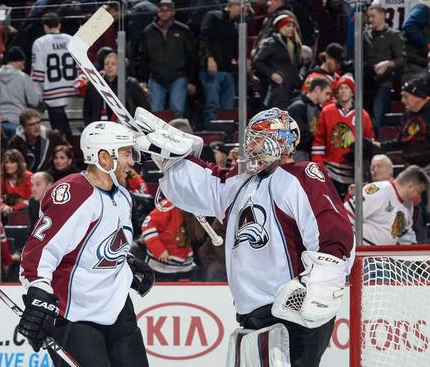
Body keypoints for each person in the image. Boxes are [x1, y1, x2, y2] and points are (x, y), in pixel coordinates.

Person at [135, 107, 354, 366]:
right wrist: (173, 157)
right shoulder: (242, 183)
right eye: (251, 138)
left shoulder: (301, 177)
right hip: (254, 314)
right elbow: (207, 186)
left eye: (259, 138)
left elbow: (333, 232)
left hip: (293, 311)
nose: (251, 145)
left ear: (281, 143)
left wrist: (320, 286)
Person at [17, 121, 152, 367]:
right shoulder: (73, 193)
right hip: (75, 313)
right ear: (103, 157)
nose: (131, 162)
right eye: (125, 153)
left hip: (118, 309)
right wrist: (38, 291)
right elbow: (39, 251)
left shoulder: (123, 196)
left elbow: (101, 244)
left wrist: (127, 264)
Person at [311, 74, 375, 197]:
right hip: (331, 171)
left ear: (352, 92)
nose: (343, 91)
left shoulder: (363, 115)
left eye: (347, 88)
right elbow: (318, 142)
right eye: (340, 88)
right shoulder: (327, 111)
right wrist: (320, 168)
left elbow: (369, 144)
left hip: (354, 172)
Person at [137, 0, 197, 118]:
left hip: (179, 76)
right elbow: (142, 57)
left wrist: (192, 81)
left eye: (168, 10)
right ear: (158, 12)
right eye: (161, 10)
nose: (164, 13)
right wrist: (143, 80)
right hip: (156, 78)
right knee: (155, 112)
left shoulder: (183, 30)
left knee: (178, 110)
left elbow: (192, 56)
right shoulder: (148, 32)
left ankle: (177, 135)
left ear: (173, 12)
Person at [344, 165, 429, 245]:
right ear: (411, 186)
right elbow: (346, 215)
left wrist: (415, 254)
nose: (419, 197)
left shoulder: (408, 205)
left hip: (382, 256)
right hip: (360, 252)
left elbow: (404, 234)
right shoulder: (379, 191)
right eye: (419, 192)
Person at [0, 46, 42, 139]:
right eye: (22, 63)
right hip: (17, 123)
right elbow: (34, 101)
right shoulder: (23, 77)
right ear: (17, 62)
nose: (23, 67)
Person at [31, 12, 77, 139]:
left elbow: (38, 73)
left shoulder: (39, 43)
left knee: (59, 135)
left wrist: (37, 95)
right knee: (73, 134)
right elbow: (80, 68)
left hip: (52, 95)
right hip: (73, 93)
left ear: (45, 26)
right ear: (59, 25)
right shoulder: (71, 39)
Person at [363, 2, 405, 133]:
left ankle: (374, 148)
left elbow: (402, 59)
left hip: (384, 82)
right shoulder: (365, 34)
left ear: (382, 15)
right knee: (365, 118)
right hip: (366, 80)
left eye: (373, 16)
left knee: (376, 119)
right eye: (368, 16)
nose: (370, 20)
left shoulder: (393, 35)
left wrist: (388, 63)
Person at [199, 0, 241, 123]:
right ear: (233, 5)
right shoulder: (213, 16)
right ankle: (213, 130)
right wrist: (209, 58)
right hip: (213, 67)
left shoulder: (236, 24)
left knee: (228, 105)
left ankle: (226, 132)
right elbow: (204, 39)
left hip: (227, 68)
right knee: (213, 104)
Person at [374, 77, 430, 166]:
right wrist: (380, 145)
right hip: (411, 165)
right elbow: (401, 141)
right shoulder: (407, 114)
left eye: (406, 96)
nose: (402, 100)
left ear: (418, 97)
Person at [83, 52, 150, 125]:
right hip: (99, 129)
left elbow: (144, 109)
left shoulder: (131, 84)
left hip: (125, 130)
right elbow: (87, 111)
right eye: (107, 64)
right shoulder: (94, 86)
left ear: (120, 67)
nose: (109, 66)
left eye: (113, 64)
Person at [254, 14, 303, 109]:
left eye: (293, 26)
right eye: (288, 26)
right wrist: (272, 74)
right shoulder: (271, 43)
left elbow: (299, 64)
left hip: (293, 88)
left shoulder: (295, 44)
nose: (291, 28)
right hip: (277, 89)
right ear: (280, 27)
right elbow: (257, 62)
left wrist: (299, 76)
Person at [141, 201, 196, 281]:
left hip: (185, 267)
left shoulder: (193, 207)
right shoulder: (169, 206)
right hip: (161, 267)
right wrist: (158, 249)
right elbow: (148, 225)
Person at [287, 77, 332, 161]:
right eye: (327, 93)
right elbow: (298, 135)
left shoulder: (318, 109)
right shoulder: (298, 107)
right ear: (317, 89)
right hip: (298, 155)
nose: (328, 97)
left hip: (309, 154)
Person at [1, 149, 33, 214]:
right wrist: (3, 206)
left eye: (12, 162)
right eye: (6, 162)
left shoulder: (29, 176)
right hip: (5, 211)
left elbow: (29, 201)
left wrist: (12, 209)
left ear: (19, 163)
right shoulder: (2, 177)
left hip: (24, 211)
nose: (8, 165)